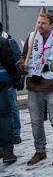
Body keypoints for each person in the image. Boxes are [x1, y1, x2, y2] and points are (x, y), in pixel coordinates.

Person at [21, 12, 53, 166]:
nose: (39, 26)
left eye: (43, 23)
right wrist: (21, 64)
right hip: (34, 85)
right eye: (38, 22)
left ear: (52, 25)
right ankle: (40, 151)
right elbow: (24, 56)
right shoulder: (32, 36)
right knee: (35, 121)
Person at [0, 34, 21, 164]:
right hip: (3, 83)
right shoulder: (5, 41)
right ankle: (8, 151)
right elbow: (12, 61)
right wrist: (16, 78)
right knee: (5, 116)